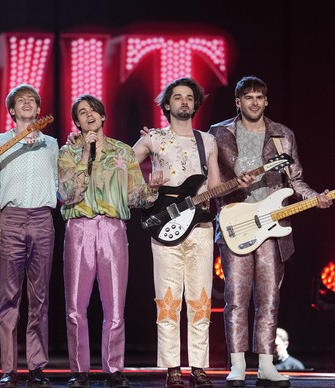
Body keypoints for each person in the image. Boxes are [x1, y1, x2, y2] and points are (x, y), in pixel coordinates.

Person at [209, 76, 333, 387]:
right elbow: (209, 182)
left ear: (266, 101)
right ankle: (237, 365)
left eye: (259, 97)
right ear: (237, 102)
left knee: (268, 298)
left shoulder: (282, 135)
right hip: (235, 222)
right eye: (247, 97)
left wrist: (314, 197)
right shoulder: (219, 133)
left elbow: (296, 180)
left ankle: (265, 365)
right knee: (236, 298)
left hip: (273, 226)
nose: (254, 102)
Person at [133, 77, 249, 388]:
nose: (184, 101)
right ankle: (172, 367)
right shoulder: (154, 139)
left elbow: (212, 187)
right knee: (168, 299)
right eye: (177, 97)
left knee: (200, 299)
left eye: (189, 97)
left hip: (200, 226)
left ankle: (198, 365)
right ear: (166, 104)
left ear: (195, 104)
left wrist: (236, 184)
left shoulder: (206, 141)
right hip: (165, 225)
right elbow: (121, 165)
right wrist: (146, 189)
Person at [59, 94, 162, 388]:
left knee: (115, 306)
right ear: (77, 122)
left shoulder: (123, 152)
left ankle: (113, 368)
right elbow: (67, 194)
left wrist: (151, 189)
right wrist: (84, 156)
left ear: (103, 117)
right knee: (75, 307)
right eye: (81, 112)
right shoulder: (67, 152)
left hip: (113, 229)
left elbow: (134, 196)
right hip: (78, 228)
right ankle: (79, 371)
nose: (88, 115)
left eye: (93, 110)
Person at [0, 84, 58, 388]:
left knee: (39, 297)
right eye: (21, 101)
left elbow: (62, 182)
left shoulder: (52, 144)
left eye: (32, 100)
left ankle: (36, 365)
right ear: (12, 111)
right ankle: (8, 368)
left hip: (43, 219)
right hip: (12, 219)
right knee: (8, 297)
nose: (28, 103)